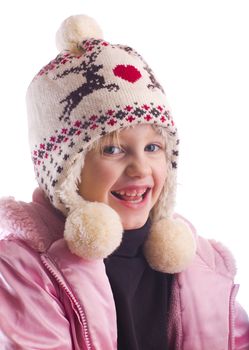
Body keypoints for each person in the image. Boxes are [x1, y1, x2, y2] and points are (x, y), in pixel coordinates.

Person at [0, 14, 248, 350]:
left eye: (153, 147)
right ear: (66, 171)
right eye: (113, 149)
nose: (140, 168)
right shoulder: (23, 272)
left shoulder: (198, 264)